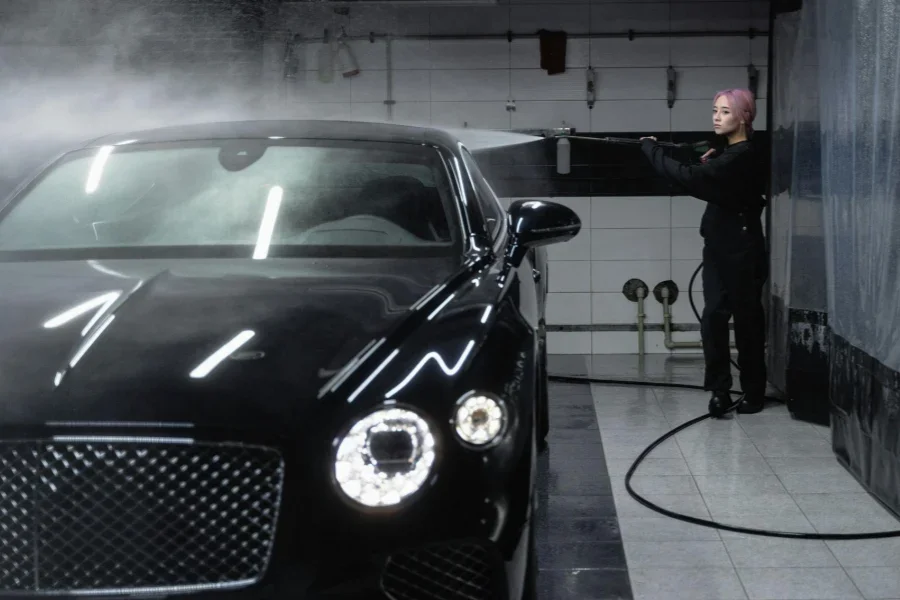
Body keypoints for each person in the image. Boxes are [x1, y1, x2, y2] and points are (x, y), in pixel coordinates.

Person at [639, 88, 768, 416]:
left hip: (743, 248)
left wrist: (650, 149)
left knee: (747, 321)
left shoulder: (743, 155)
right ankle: (719, 391)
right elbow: (711, 177)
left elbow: (688, 178)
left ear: (744, 117)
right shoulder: (728, 155)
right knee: (713, 317)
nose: (716, 116)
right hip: (718, 248)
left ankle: (753, 391)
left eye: (725, 111)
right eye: (715, 110)